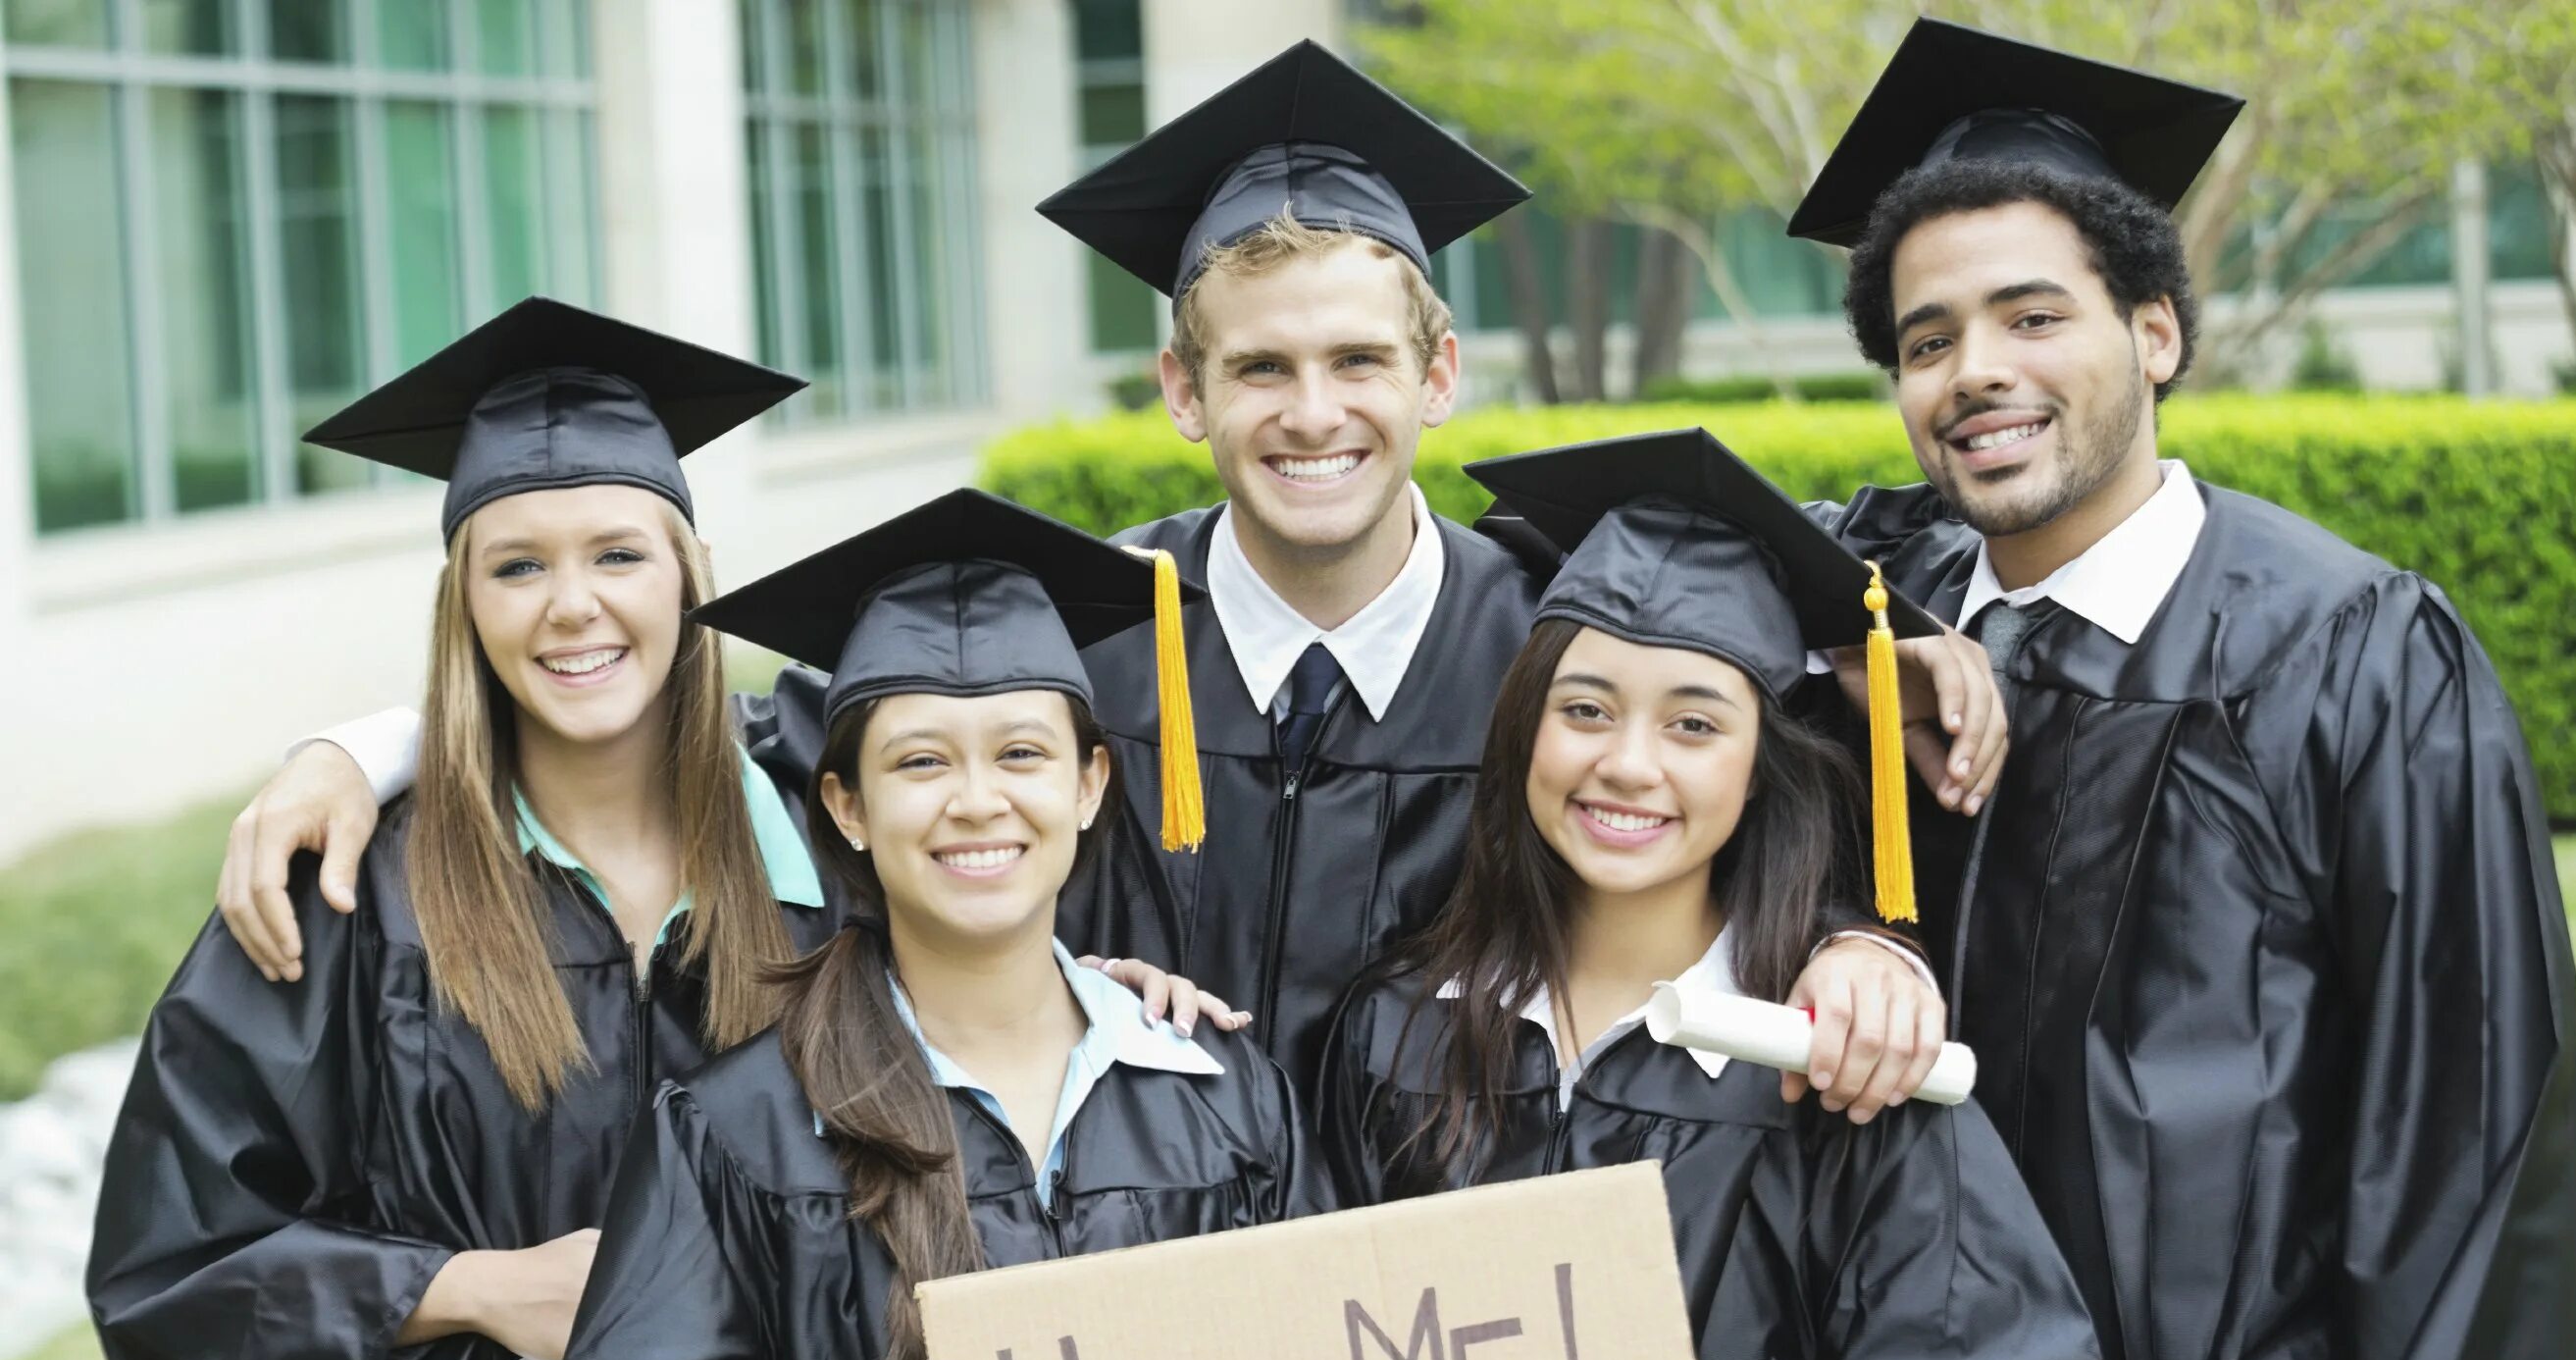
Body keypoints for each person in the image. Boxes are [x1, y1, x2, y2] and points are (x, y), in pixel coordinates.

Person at [212, 42, 1960, 1135]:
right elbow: (697, 737)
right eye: (1258, 370)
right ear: (1183, 395)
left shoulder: (1566, 648)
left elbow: (1799, 768)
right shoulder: (1054, 638)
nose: (1313, 413)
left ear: (1439, 373)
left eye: (1359, 360)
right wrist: (365, 745)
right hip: (1127, 1311)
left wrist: (1876, 935)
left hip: (1471, 1318)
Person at [1784, 21, 2576, 1360]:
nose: (1975, 373)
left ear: (2158, 334)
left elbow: (2473, 1090)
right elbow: (1586, 582)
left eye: (2031, 314)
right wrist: (1844, 658)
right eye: (1929, 343)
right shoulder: (1860, 630)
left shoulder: (2355, 649)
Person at [532, 490, 1406, 1360]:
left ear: (1094, 782)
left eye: (1022, 753)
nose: (976, 802)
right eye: (921, 761)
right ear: (843, 804)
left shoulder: (1224, 1100)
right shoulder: (740, 1132)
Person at [85, 298, 829, 1360]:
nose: (574, 606)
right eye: (518, 565)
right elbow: (178, 1259)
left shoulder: (821, 834)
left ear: (689, 575)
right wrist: (476, 1285)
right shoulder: (356, 892)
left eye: (619, 553)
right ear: (463, 601)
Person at [1318, 428, 2106, 1360]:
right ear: (1521, 732)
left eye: (1694, 722)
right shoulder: (1395, 1033)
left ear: (1759, 764)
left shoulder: (1840, 1063)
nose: (1629, 764)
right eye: (1586, 709)